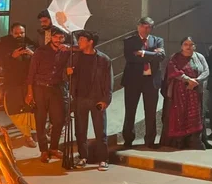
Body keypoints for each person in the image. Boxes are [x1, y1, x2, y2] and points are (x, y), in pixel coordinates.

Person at [67, 31, 112, 170]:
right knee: (80, 130)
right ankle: (83, 157)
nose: (78, 42)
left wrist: (106, 100)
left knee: (100, 130)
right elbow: (66, 77)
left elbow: (108, 81)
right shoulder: (75, 58)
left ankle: (103, 159)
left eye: (81, 39)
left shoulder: (103, 59)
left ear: (90, 42)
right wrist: (67, 72)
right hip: (80, 98)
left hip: (97, 99)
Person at [26, 27, 70, 163]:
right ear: (51, 37)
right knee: (40, 120)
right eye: (56, 37)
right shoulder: (41, 52)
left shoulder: (66, 52)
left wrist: (69, 50)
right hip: (40, 88)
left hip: (57, 88)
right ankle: (44, 150)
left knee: (58, 120)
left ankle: (54, 148)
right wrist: (29, 93)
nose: (58, 40)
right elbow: (31, 73)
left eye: (61, 37)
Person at [121, 17, 165, 148]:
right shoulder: (129, 41)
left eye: (149, 27)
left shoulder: (158, 40)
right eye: (144, 26)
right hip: (133, 80)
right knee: (130, 111)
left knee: (150, 111)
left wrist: (143, 53)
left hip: (151, 81)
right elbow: (130, 58)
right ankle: (128, 139)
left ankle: (150, 140)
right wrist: (152, 55)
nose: (146, 29)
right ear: (138, 26)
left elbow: (161, 57)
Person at [0, 23, 37, 148]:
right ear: (11, 33)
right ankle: (26, 135)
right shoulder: (3, 46)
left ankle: (37, 131)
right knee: (16, 109)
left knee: (32, 108)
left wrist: (33, 55)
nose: (19, 35)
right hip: (12, 82)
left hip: (29, 82)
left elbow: (41, 60)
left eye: (22, 33)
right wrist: (11, 56)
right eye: (16, 33)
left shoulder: (31, 44)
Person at [159, 37, 209, 150]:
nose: (188, 46)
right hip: (179, 93)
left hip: (195, 91)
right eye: (186, 44)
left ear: (195, 46)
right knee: (179, 115)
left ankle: (193, 141)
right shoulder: (175, 57)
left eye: (191, 44)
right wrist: (187, 80)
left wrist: (196, 81)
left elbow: (206, 70)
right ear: (181, 46)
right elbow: (173, 71)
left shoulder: (199, 57)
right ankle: (179, 141)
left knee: (195, 116)